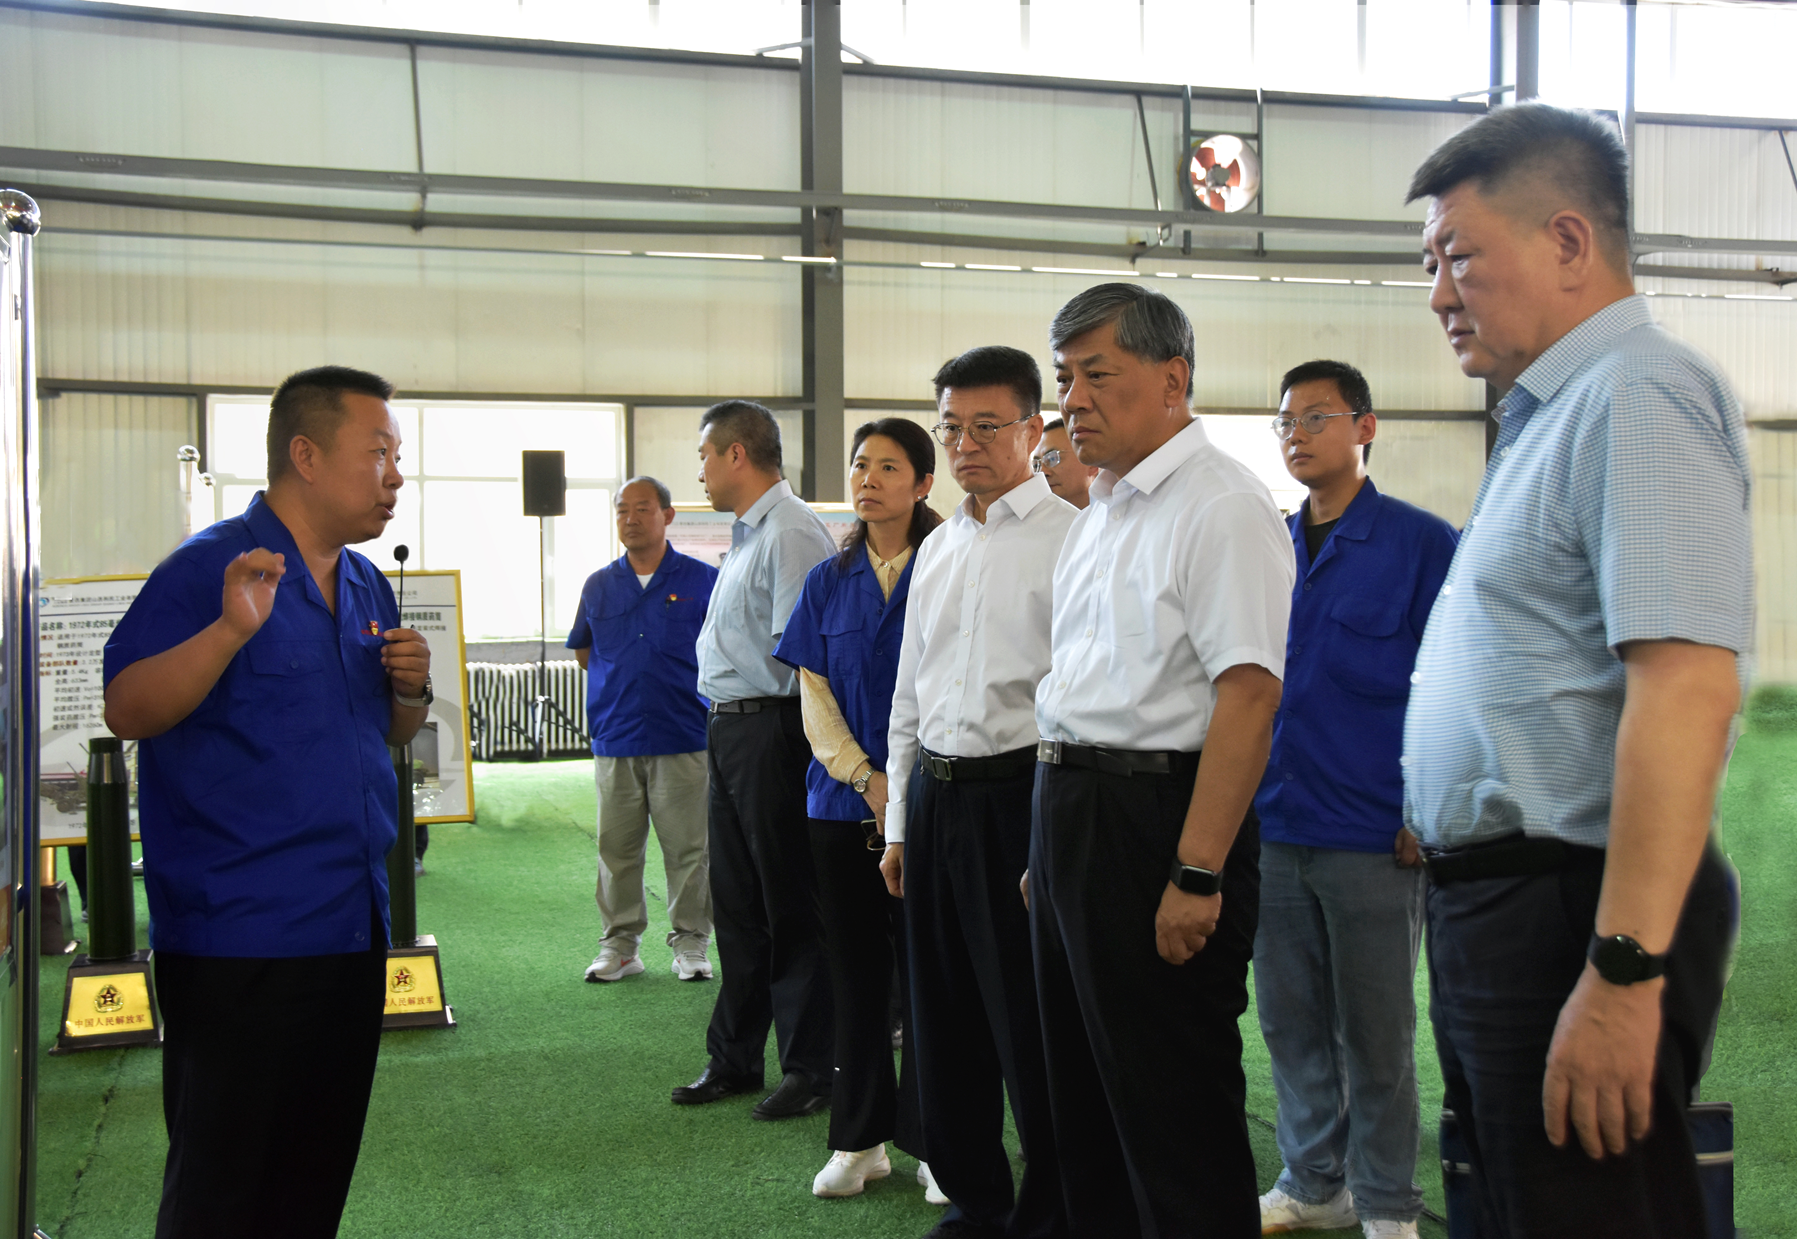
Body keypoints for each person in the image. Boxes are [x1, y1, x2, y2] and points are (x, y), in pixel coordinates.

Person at [1403, 103, 1749, 1238]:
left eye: (1459, 257)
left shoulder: (1635, 394)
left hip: (1572, 910)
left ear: (1566, 241)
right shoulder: (1553, 413)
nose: (1439, 293)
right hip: (1510, 901)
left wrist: (1623, 966)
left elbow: (1685, 685)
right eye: (1429, 264)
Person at [103, 365, 432, 1239]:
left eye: (398, 456)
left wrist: (412, 690)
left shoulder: (364, 583)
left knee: (311, 1180)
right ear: (306, 455)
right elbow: (127, 707)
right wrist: (227, 632)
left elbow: (387, 734)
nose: (397, 475)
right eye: (379, 453)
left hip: (349, 928)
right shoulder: (209, 567)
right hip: (240, 941)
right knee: (220, 1193)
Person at [1030, 284, 1293, 1238]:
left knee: (1172, 1112)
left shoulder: (1222, 505)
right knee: (1084, 1101)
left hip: (1158, 824)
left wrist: (1196, 871)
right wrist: (1049, 850)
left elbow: (1248, 696)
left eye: (1097, 375)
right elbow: (1078, 687)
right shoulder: (1098, 513)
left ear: (1172, 379)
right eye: (1066, 378)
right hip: (1072, 811)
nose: (1074, 400)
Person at [1251, 360, 1458, 1239]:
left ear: (1364, 428)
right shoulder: (1265, 544)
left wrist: (1423, 804)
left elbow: (1453, 680)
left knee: (1375, 1032)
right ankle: (1312, 1183)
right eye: (1285, 422)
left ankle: (1386, 1204)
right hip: (1272, 823)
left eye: (1317, 417)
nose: (1296, 435)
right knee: (1290, 1023)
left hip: (1373, 831)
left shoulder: (1420, 543)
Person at [883, 345, 1075, 1239]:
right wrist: (898, 825)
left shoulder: (1071, 536)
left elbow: (1076, 699)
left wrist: (1047, 837)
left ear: (1033, 429)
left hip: (1020, 796)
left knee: (1026, 1021)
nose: (965, 444)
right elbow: (908, 694)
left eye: (986, 425)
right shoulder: (939, 545)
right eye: (951, 427)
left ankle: (1050, 1212)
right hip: (936, 798)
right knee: (944, 1017)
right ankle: (974, 1202)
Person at [772, 419, 941, 1201]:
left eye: (888, 466)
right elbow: (813, 694)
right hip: (840, 806)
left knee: (933, 976)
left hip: (933, 804)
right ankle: (858, 1140)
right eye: (860, 464)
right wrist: (866, 778)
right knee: (855, 975)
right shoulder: (826, 579)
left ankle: (937, 1143)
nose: (868, 478)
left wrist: (902, 788)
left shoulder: (948, 566)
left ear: (923, 483)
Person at [670, 399, 839, 1121]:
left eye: (705, 455)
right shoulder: (748, 534)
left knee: (788, 905)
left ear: (737, 454)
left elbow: (803, 655)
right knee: (738, 904)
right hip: (730, 729)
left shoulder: (791, 531)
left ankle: (810, 1068)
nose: (701, 470)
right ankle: (734, 1057)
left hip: (773, 731)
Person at [566, 475, 718, 984]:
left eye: (643, 508)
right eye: (622, 510)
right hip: (617, 735)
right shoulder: (598, 584)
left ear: (668, 515)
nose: (630, 519)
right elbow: (585, 652)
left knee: (690, 850)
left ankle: (691, 942)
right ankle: (620, 946)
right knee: (616, 850)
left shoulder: (703, 580)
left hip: (684, 735)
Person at [1030, 417, 1098, 509]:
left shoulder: (1110, 513)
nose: (1042, 472)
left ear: (1091, 463)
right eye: (1036, 465)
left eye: (1052, 458)